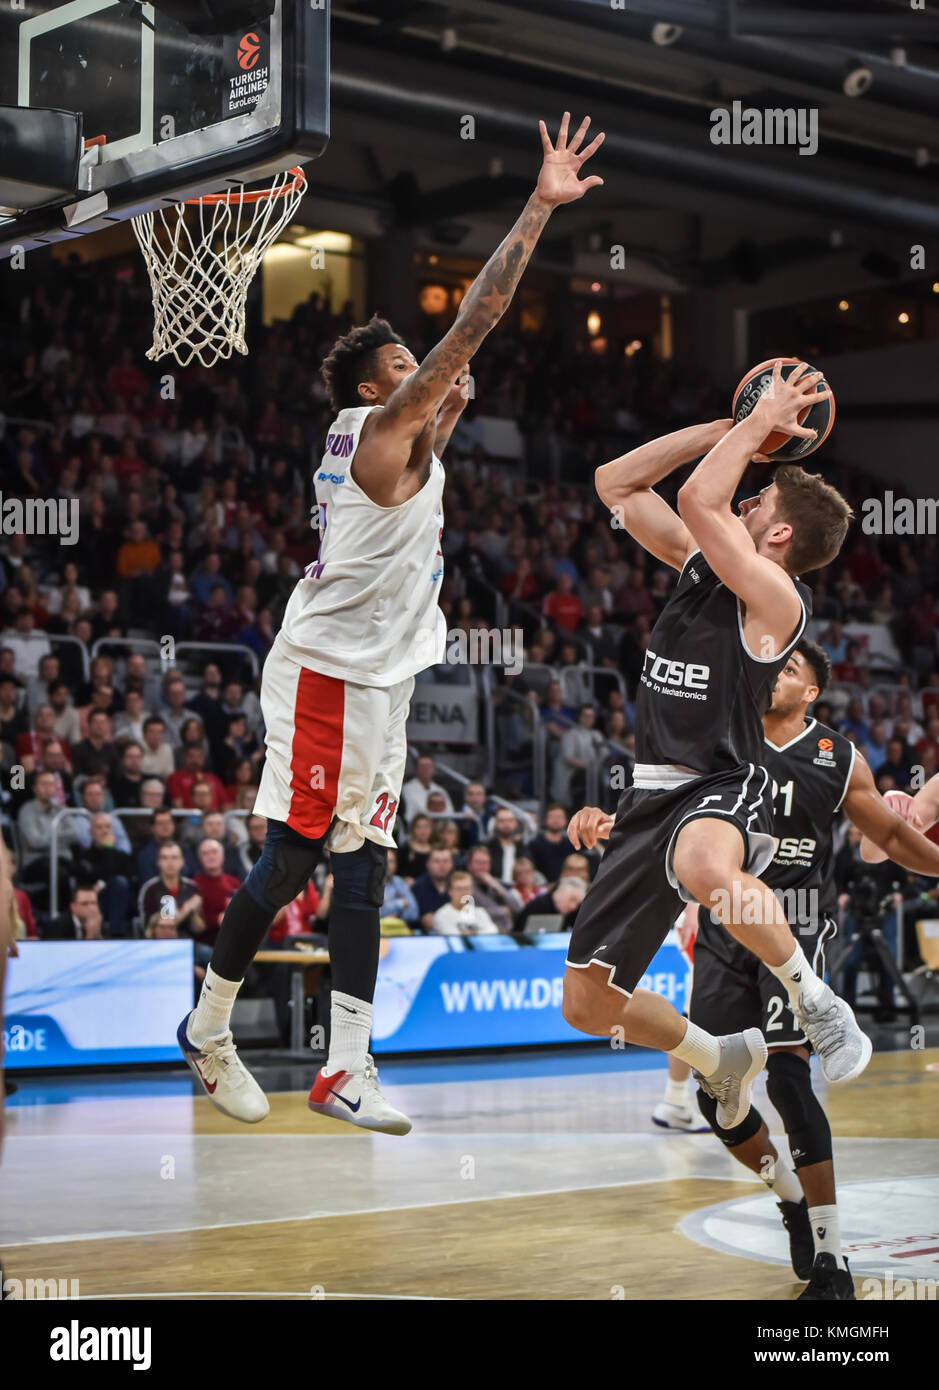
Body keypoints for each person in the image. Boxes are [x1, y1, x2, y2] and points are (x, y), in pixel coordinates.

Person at [176, 113, 606, 1132]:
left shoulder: (397, 445)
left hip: (378, 678)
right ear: (379, 388)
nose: (429, 371)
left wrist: (451, 402)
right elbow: (481, 315)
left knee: (367, 863)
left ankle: (345, 1067)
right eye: (411, 365)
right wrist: (538, 207)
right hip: (327, 671)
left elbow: (436, 429)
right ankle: (208, 1024)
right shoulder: (376, 432)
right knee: (294, 859)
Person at [562, 365, 868, 1137]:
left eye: (758, 498)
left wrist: (755, 422)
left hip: (721, 783)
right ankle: (714, 1057)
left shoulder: (776, 595)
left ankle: (815, 1003)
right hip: (647, 795)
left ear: (778, 535)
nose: (742, 494)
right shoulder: (704, 566)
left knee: (705, 869)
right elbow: (616, 486)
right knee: (585, 1005)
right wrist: (732, 427)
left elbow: (699, 499)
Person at [431, 868, 500, 936]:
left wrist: (473, 934)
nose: (464, 893)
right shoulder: (442, 915)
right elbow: (454, 937)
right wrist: (477, 934)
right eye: (459, 889)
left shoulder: (480, 912)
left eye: (467, 888)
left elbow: (493, 932)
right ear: (450, 891)